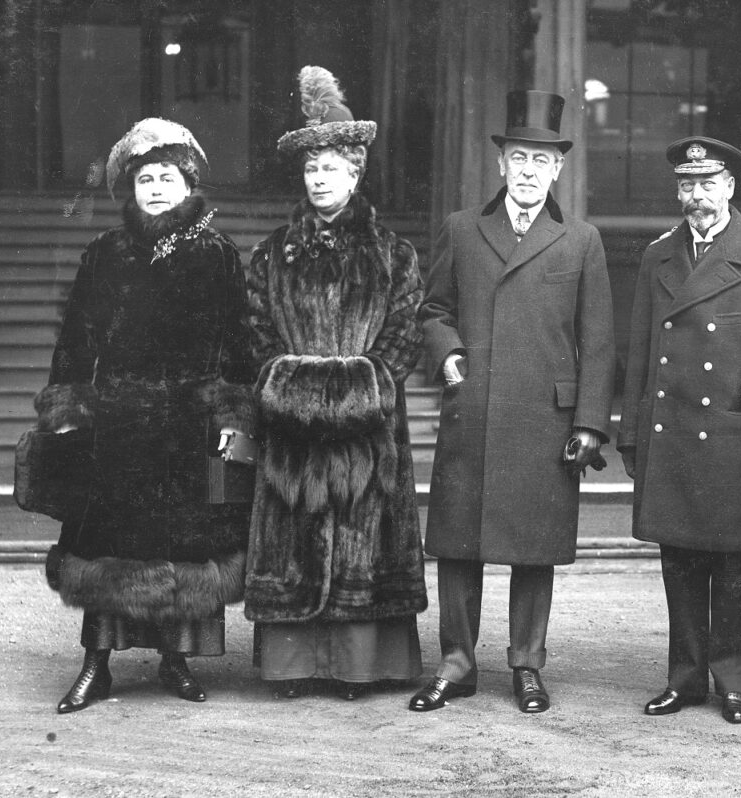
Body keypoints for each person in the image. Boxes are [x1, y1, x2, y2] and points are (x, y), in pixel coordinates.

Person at [40, 118, 256, 713]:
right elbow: (75, 341)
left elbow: (239, 347)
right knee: (107, 545)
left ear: (188, 186)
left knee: (186, 547)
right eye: (145, 177)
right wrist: (70, 407)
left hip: (190, 428)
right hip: (121, 426)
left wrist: (234, 417)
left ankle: (176, 661)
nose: (157, 186)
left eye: (168, 176)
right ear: (130, 188)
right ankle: (96, 666)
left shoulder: (218, 256)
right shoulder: (103, 254)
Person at [410, 90, 615, 714]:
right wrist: (446, 354)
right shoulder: (462, 229)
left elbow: (599, 342)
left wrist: (589, 424)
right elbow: (434, 308)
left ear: (558, 170)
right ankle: (457, 664)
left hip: (543, 419)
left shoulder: (579, 240)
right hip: (474, 410)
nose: (528, 170)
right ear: (501, 164)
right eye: (519, 157)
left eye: (541, 160)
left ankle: (527, 664)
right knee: (457, 546)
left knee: (533, 549)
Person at [242, 66, 427, 700]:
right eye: (310, 170)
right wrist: (292, 390)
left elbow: (401, 339)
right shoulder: (270, 254)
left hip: (367, 436)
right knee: (295, 537)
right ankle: (292, 669)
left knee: (361, 542)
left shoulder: (392, 254)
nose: (319, 180)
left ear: (355, 174)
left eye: (332, 169)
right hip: (290, 435)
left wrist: (354, 392)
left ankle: (359, 668)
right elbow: (257, 335)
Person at [617, 136, 741, 724]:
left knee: (732, 572)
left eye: (708, 183)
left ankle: (731, 680)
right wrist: (632, 435)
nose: (697, 195)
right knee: (678, 565)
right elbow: (642, 350)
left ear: (730, 187)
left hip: (737, 441)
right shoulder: (658, 255)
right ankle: (685, 679)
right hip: (672, 434)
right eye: (687, 184)